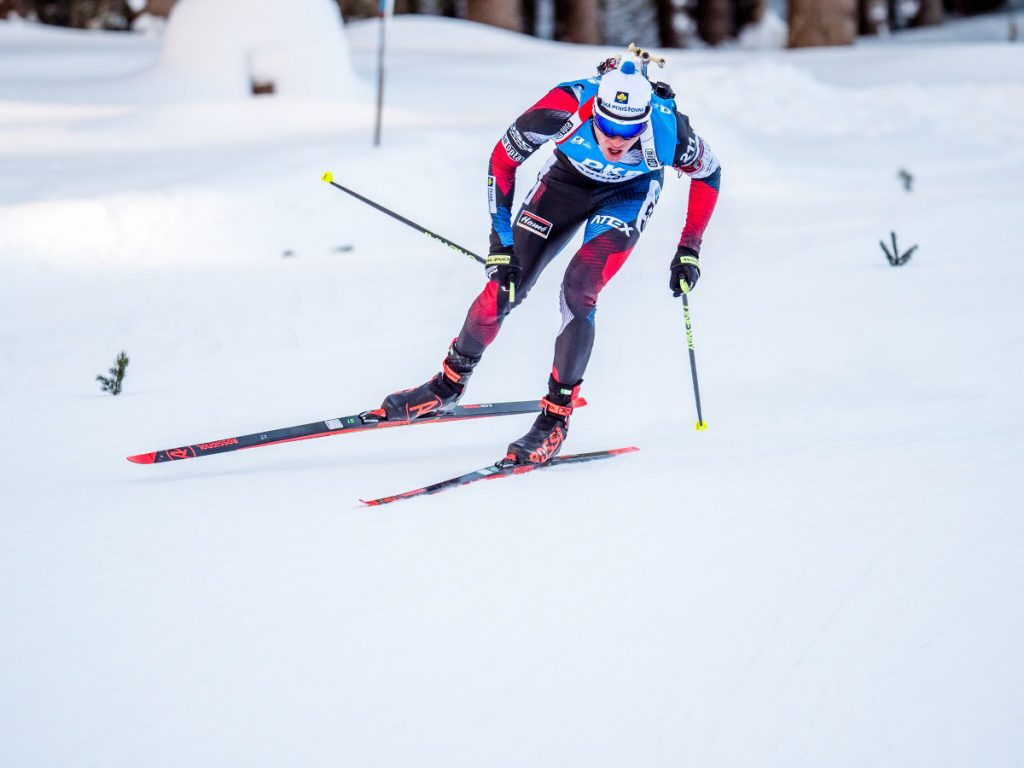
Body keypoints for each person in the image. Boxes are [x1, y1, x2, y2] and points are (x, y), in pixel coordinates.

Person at [378, 51, 721, 464]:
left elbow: (710, 174)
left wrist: (689, 249)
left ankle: (555, 419)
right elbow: (502, 161)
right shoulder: (562, 108)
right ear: (595, 111)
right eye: (608, 127)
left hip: (628, 195)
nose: (615, 142)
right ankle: (447, 385)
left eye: (628, 131)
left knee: (580, 289)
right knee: (506, 285)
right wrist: (501, 244)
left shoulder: (669, 132)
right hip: (565, 183)